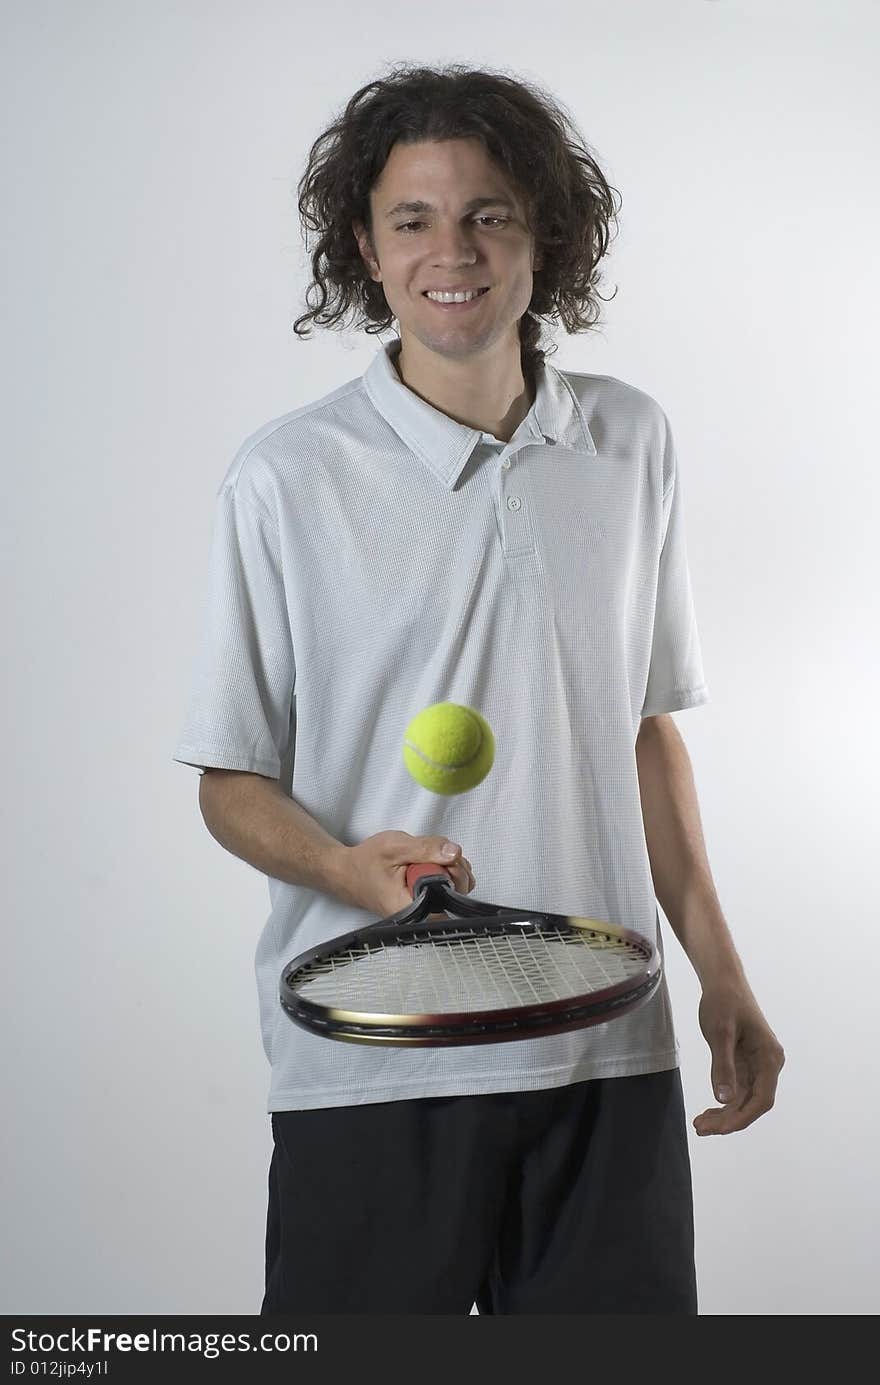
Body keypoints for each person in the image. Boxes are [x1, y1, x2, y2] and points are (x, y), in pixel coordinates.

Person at [172, 62, 785, 1315]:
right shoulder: (285, 479)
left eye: (489, 213)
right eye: (413, 219)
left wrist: (720, 968)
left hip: (603, 1045)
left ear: (543, 235)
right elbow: (230, 782)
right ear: (367, 245)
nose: (451, 251)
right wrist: (352, 871)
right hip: (375, 1056)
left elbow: (643, 728)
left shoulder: (631, 443)